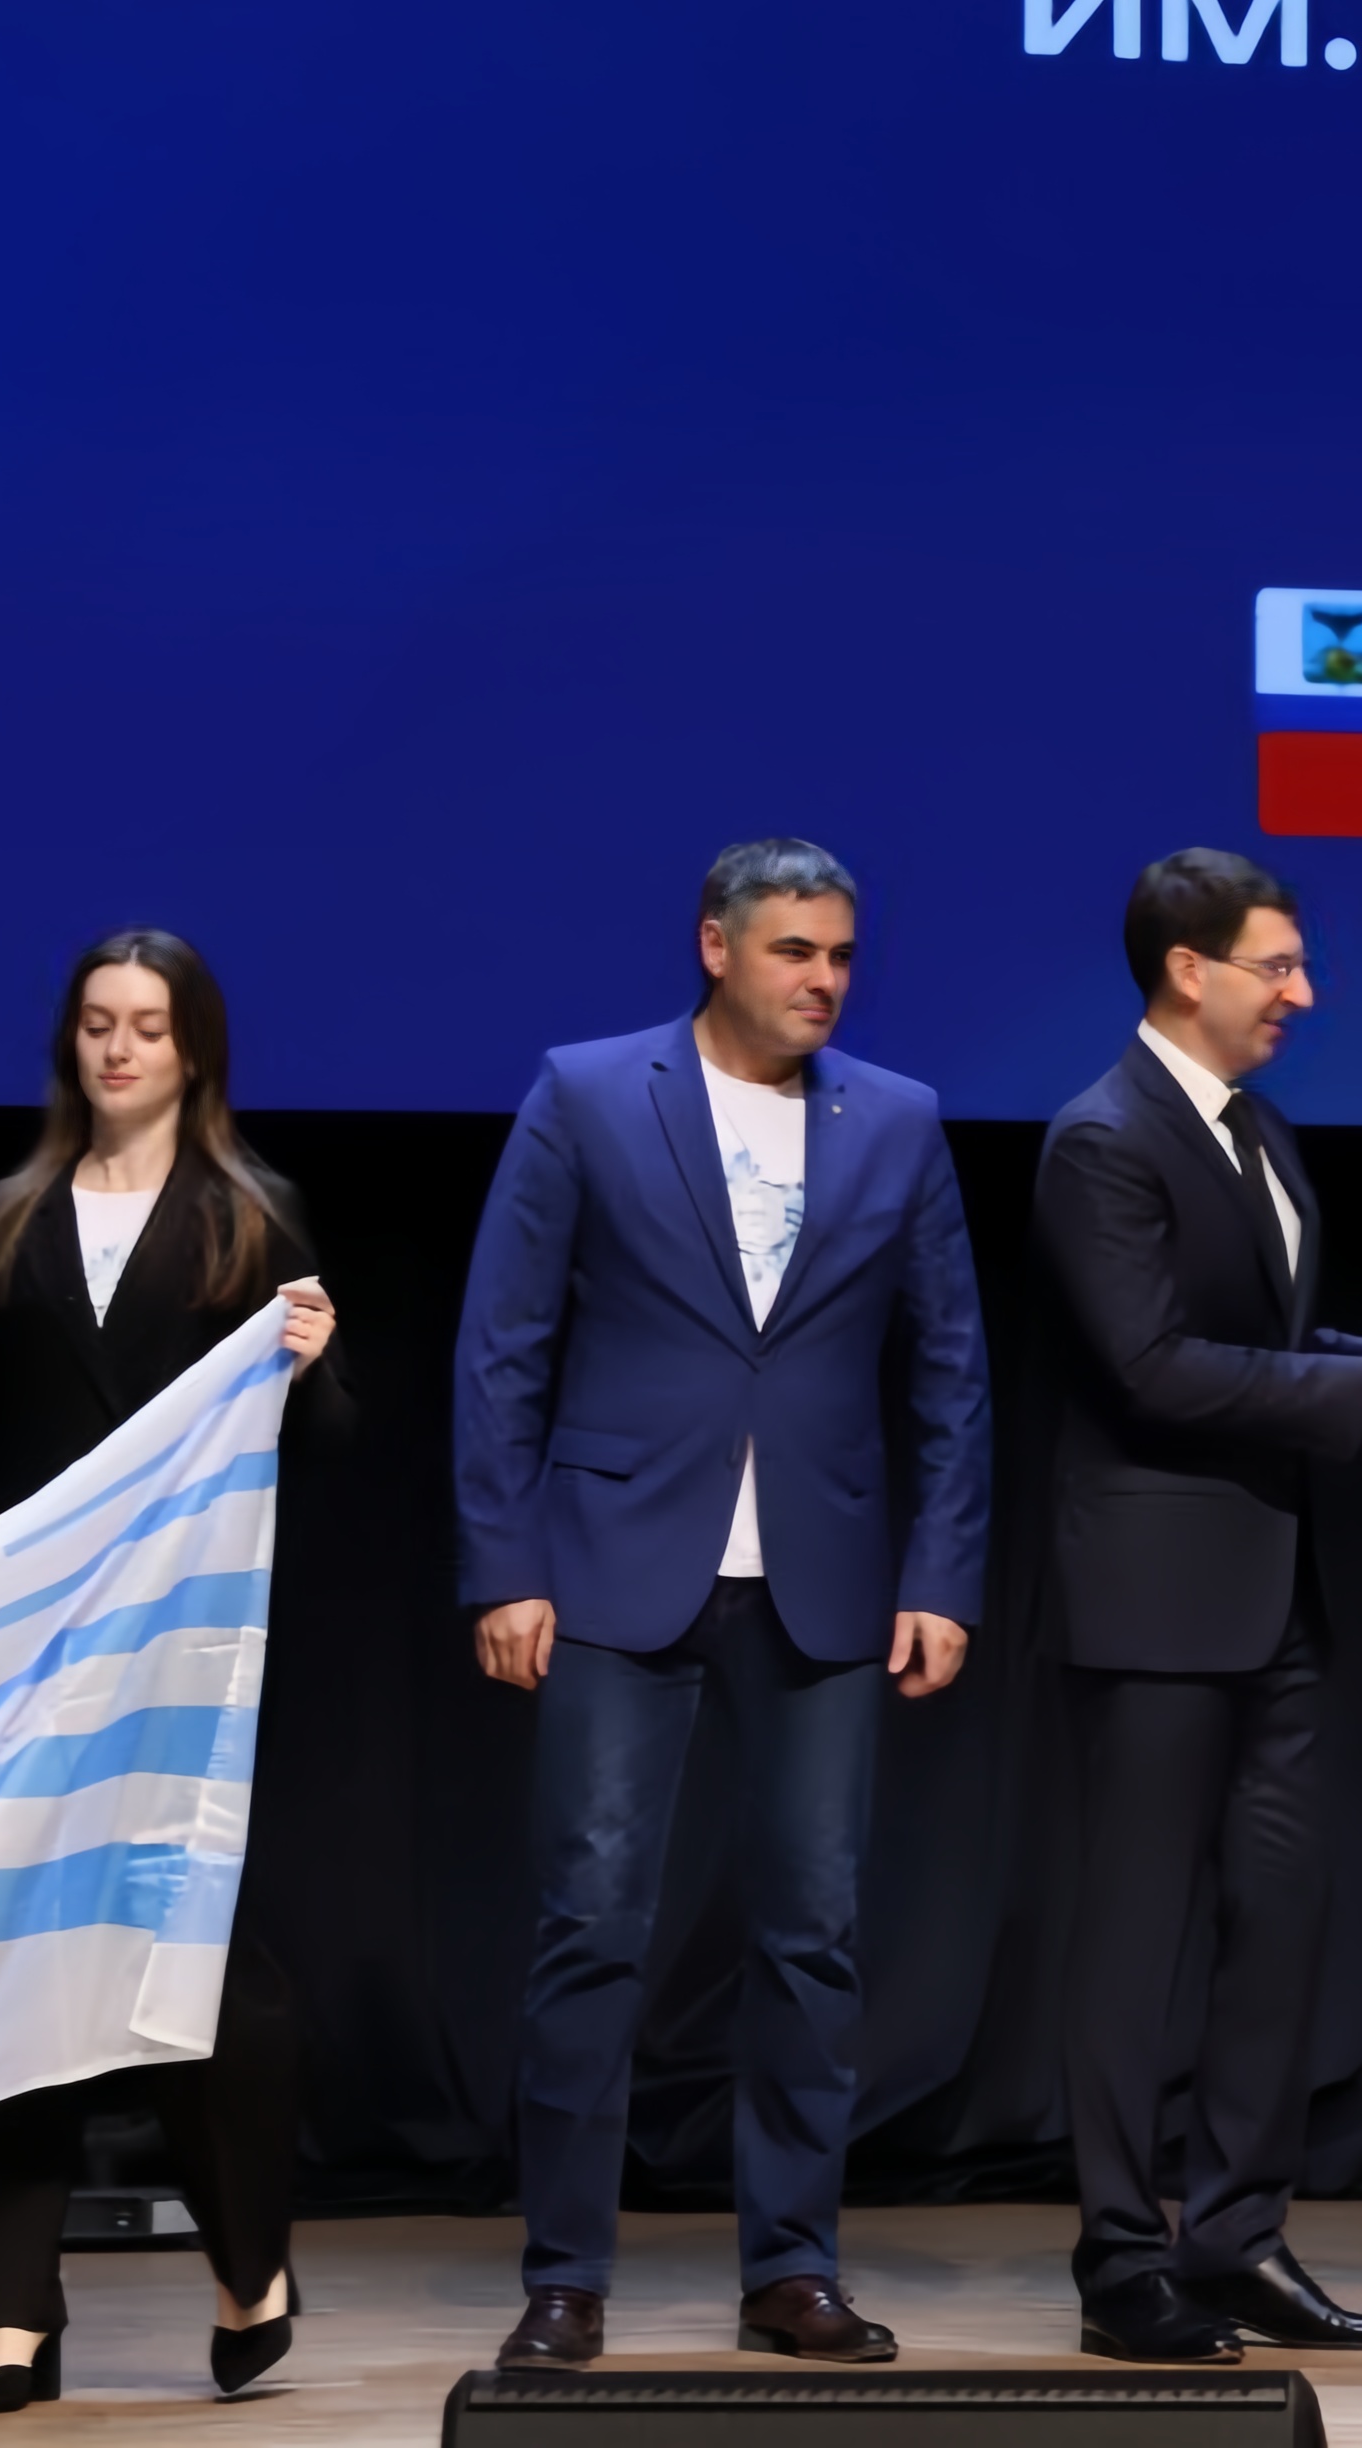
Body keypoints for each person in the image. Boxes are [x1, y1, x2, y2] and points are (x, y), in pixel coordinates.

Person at [454, 839, 990, 2372]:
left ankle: (792, 2271)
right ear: (715, 946)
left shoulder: (898, 1119)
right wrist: (506, 1564)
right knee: (591, 1930)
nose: (824, 979)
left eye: (840, 954)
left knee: (814, 1937)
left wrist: (942, 1574)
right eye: (792, 951)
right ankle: (566, 2275)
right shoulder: (586, 1093)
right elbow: (504, 1345)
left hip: (827, 1577)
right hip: (614, 1564)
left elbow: (951, 1368)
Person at [1035, 850, 1362, 2364]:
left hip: (1276, 1595)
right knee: (1136, 1937)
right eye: (1278, 965)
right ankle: (1120, 2259)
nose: (1305, 992)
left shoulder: (1259, 1129)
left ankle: (1236, 2240)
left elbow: (1269, 1340)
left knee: (1280, 1923)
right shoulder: (1101, 1138)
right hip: (1155, 1602)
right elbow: (1151, 1367)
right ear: (1190, 970)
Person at [0, 932, 344, 2415]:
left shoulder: (251, 1217)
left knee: (198, 1965)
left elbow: (324, 1444)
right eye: (98, 1022)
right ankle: (11, 2316)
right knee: (10, 1961)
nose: (118, 1048)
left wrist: (312, 1368)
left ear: (192, 1048)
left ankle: (248, 2269)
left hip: (179, 1654)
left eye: (147, 1026)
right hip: (25, 1653)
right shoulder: (3, 1219)